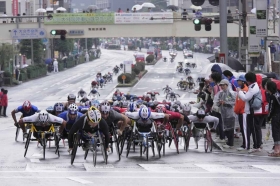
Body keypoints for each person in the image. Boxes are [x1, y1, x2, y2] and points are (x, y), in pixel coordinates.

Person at [237, 72, 263, 153]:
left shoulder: (253, 87)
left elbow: (245, 98)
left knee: (254, 129)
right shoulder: (253, 86)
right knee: (254, 128)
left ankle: (256, 146)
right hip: (253, 110)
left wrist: (239, 92)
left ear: (248, 80)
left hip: (253, 111)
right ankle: (257, 145)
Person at [217, 79, 236, 149]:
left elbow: (234, 102)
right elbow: (217, 101)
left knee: (230, 128)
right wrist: (219, 102)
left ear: (227, 85)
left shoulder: (231, 93)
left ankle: (231, 143)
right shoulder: (222, 93)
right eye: (221, 85)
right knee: (226, 128)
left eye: (223, 85)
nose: (222, 87)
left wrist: (225, 103)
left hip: (230, 113)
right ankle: (228, 142)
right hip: (224, 113)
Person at [234, 75, 248, 151]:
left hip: (243, 112)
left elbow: (242, 103)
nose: (237, 82)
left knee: (244, 129)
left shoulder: (244, 90)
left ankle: (245, 144)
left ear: (242, 81)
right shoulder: (240, 89)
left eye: (239, 81)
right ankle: (244, 144)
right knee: (243, 128)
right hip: (240, 112)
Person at [266, 81, 280, 156]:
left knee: (276, 133)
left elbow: (271, 108)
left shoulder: (272, 96)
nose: (265, 87)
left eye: (266, 85)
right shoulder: (277, 94)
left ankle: (277, 150)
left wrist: (268, 117)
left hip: (276, 116)